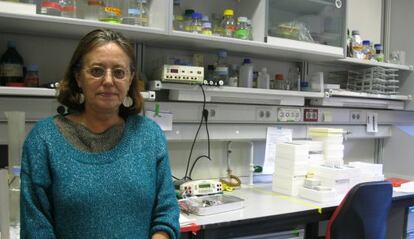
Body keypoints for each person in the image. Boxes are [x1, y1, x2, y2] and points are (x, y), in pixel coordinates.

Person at [20, 29, 180, 239]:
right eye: (96, 71)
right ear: (78, 77)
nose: (108, 80)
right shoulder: (44, 139)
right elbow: (36, 228)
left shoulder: (149, 136)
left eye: (119, 72)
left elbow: (166, 212)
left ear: (131, 78)